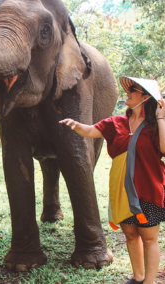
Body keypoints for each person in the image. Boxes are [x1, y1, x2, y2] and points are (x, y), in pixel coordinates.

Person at [60, 76, 165, 284]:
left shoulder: (155, 126)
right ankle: (138, 277)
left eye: (133, 89)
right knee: (131, 235)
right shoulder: (116, 122)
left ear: (145, 97)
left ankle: (150, 282)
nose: (128, 92)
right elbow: (90, 131)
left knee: (149, 238)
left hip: (148, 190)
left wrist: (161, 118)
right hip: (122, 191)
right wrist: (75, 124)